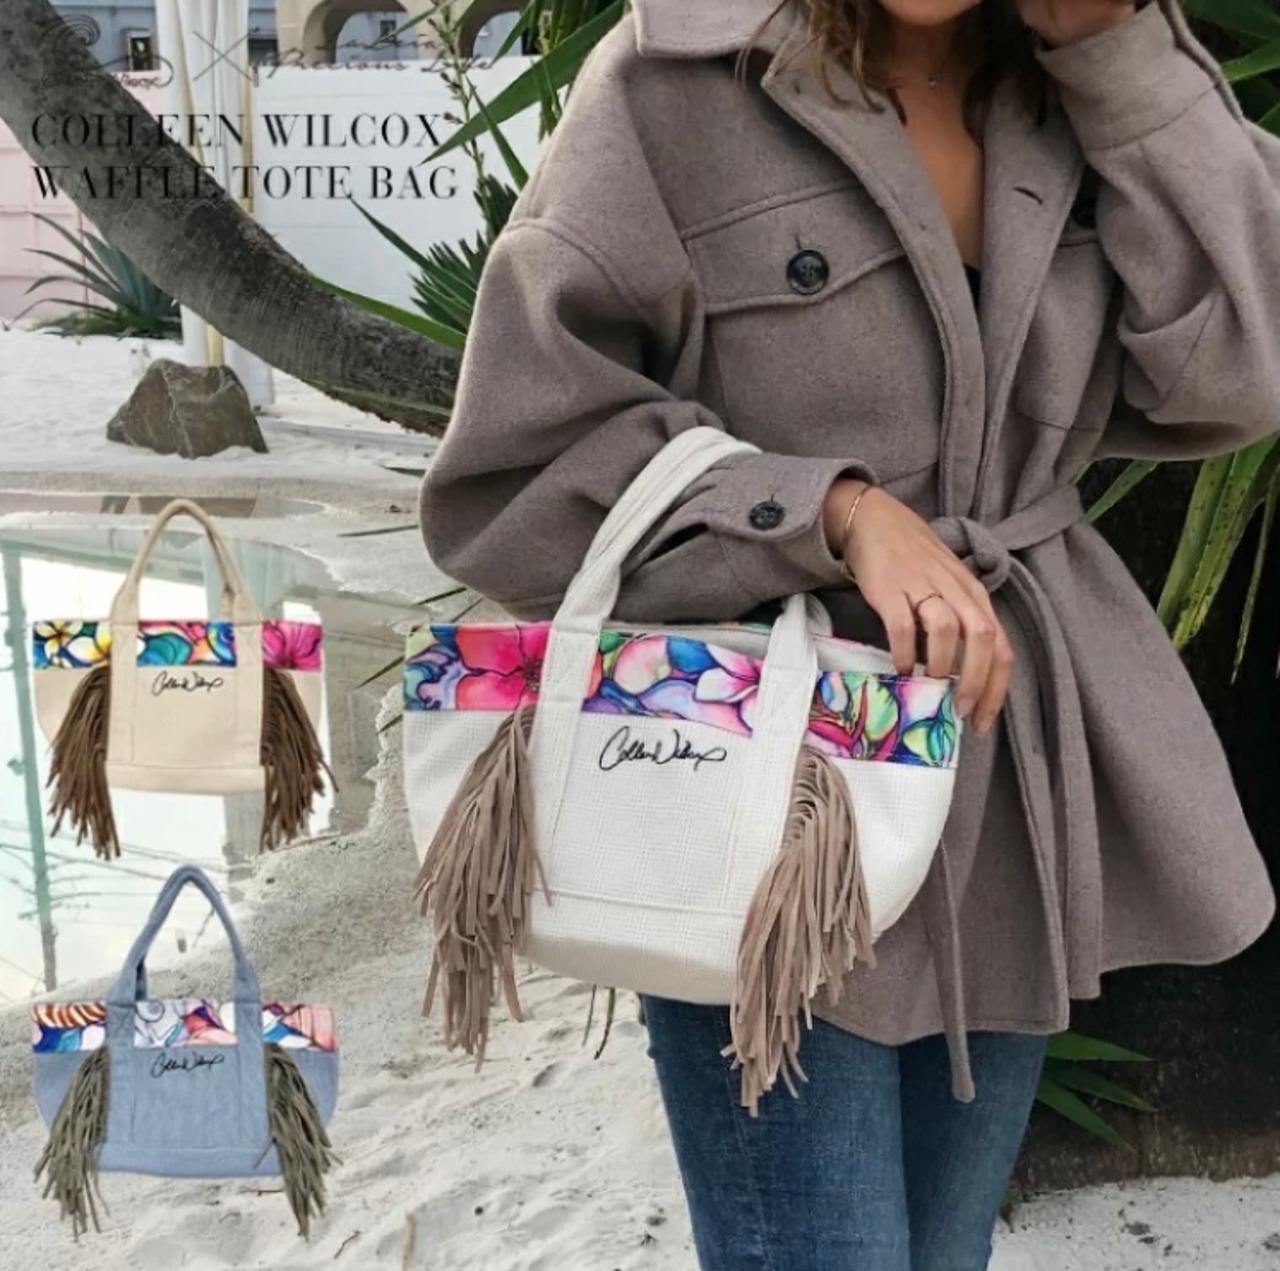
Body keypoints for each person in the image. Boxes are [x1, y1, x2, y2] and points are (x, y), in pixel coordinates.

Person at [418, 0, 1280, 1265]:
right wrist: (830, 512)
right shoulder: (672, 84)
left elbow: (1245, 365)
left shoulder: (1081, 82)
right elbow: (515, 469)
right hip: (765, 806)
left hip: (1001, 781)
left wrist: (1114, 56)